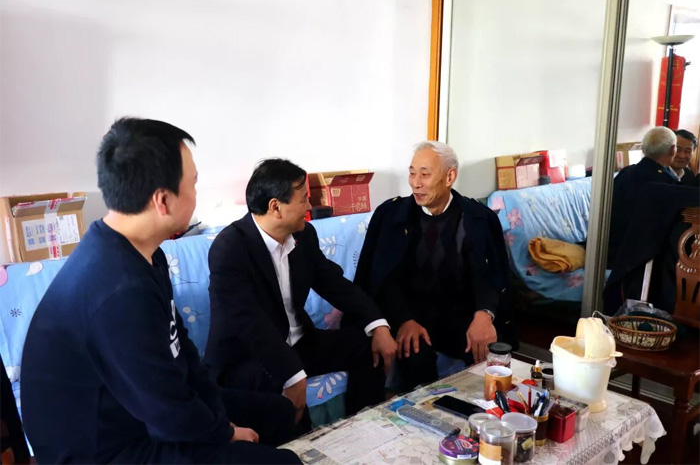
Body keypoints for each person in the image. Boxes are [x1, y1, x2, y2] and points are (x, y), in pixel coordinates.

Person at [20, 118, 299, 464]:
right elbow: (167, 411)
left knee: (277, 412)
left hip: (137, 412)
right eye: (193, 183)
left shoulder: (143, 254)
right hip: (106, 449)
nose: (196, 193)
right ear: (163, 200)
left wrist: (218, 419)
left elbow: (183, 352)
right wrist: (224, 433)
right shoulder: (120, 290)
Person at [204, 158, 397, 425]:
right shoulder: (230, 248)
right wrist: (293, 374)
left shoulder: (304, 236)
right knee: (285, 399)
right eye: (304, 199)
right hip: (249, 356)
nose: (309, 206)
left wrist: (377, 324)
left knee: (363, 346)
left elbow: (334, 284)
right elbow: (249, 324)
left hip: (299, 344)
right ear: (276, 207)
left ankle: (364, 429)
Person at [353, 141, 514, 392]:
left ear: (450, 177)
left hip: (458, 314)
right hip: (408, 315)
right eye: (412, 173)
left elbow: (492, 275)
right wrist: (403, 319)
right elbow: (381, 278)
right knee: (415, 356)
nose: (415, 183)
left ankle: (484, 411)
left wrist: (485, 314)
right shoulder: (391, 216)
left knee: (493, 353)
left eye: (425, 174)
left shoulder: (479, 218)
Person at [608, 126, 679, 267]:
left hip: (609, 251)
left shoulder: (626, 172)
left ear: (643, 149)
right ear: (672, 150)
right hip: (641, 259)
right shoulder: (667, 183)